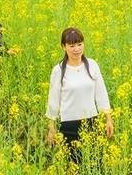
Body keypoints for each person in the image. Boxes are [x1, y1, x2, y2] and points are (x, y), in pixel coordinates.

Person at [45, 27, 113, 158]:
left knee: (94, 164)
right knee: (73, 167)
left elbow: (101, 93)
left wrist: (108, 119)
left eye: (79, 44)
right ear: (63, 47)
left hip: (92, 122)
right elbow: (53, 100)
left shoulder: (92, 65)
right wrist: (52, 127)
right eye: (71, 46)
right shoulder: (58, 70)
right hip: (69, 125)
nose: (76, 49)